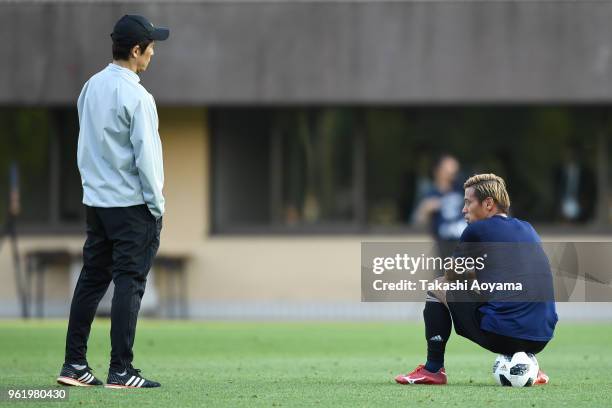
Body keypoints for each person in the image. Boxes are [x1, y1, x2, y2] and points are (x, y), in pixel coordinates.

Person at [56, 15, 169, 389]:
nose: (153, 52)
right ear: (135, 50)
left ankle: (74, 365)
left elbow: (84, 146)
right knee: (129, 283)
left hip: (97, 204)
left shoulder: (91, 86)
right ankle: (121, 370)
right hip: (132, 207)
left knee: (91, 281)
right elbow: (148, 160)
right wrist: (157, 205)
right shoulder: (138, 96)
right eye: (150, 46)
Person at [396, 173, 558, 385]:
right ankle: (532, 367)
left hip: (503, 336)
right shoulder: (528, 228)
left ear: (488, 203)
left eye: (468, 202)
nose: (463, 209)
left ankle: (433, 369)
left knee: (438, 286)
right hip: (542, 337)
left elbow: (452, 277)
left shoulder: (477, 230)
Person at [412, 154, 467, 258]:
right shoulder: (430, 194)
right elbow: (418, 222)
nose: (452, 174)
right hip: (444, 246)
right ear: (438, 171)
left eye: (455, 171)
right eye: (448, 170)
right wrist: (425, 209)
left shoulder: (462, 190)